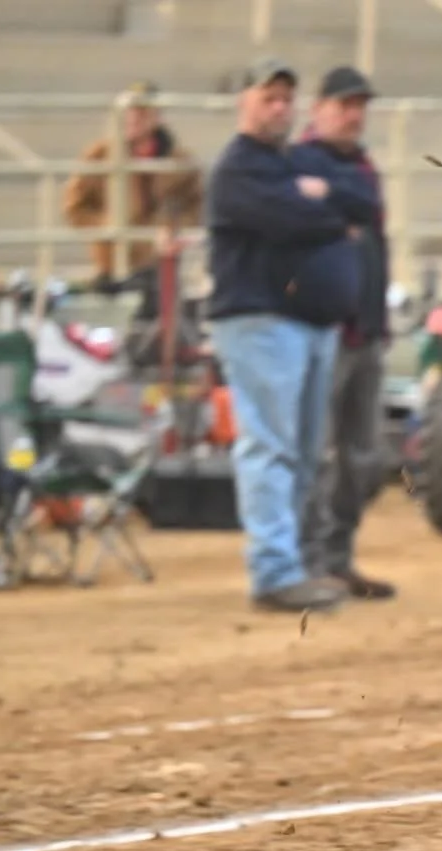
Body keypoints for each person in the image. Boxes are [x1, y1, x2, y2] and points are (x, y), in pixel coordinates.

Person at [204, 58, 364, 613]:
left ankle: (289, 564)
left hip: (301, 322)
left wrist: (317, 196)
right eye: (267, 97)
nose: (279, 108)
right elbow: (292, 219)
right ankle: (274, 569)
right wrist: (318, 205)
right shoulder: (238, 168)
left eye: (285, 99)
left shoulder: (290, 161)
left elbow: (358, 197)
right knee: (271, 446)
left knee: (296, 451)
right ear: (243, 103)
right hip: (258, 319)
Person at [292, 65, 396, 602]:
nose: (353, 115)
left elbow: (370, 238)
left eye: (359, 106)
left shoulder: (362, 167)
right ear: (319, 108)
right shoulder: (299, 161)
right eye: (343, 105)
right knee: (317, 453)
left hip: (365, 331)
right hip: (322, 331)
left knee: (362, 455)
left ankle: (338, 556)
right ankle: (311, 561)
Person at [61, 81, 205, 291]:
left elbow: (196, 206)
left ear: (158, 116)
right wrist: (107, 226)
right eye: (131, 111)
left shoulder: (180, 161)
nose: (135, 118)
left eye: (143, 111)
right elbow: (75, 208)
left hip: (161, 262)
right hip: (111, 263)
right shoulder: (99, 156)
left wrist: (172, 227)